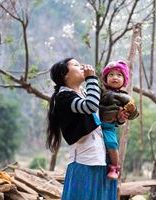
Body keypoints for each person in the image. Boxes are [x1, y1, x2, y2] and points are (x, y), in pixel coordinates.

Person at [46, 58, 128, 199]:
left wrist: (118, 119)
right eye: (76, 65)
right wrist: (91, 78)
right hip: (85, 161)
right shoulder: (64, 97)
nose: (82, 67)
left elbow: (99, 121)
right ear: (65, 75)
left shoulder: (83, 92)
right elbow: (90, 106)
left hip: (101, 157)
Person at [99, 60, 139, 179]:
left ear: (124, 80)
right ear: (105, 79)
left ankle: (115, 167)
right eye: (110, 75)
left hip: (108, 126)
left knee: (111, 144)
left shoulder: (125, 97)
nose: (114, 77)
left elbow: (133, 114)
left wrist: (130, 111)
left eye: (119, 75)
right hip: (94, 125)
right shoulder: (100, 92)